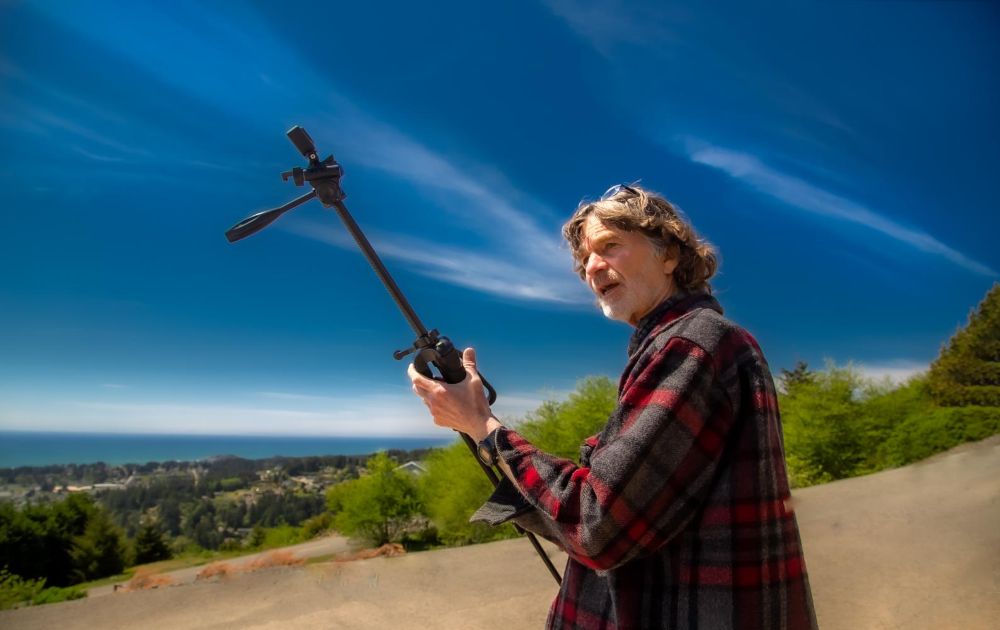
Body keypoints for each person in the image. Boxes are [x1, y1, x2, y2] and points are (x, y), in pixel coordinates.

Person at [408, 184, 817, 629]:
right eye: (585, 259)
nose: (592, 268)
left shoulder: (690, 344)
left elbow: (598, 527)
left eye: (611, 247)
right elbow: (625, 515)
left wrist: (480, 424)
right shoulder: (684, 344)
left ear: (670, 255)